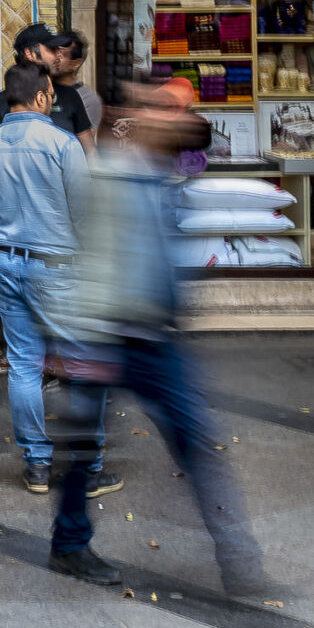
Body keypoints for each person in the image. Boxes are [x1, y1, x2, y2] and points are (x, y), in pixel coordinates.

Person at [45, 85, 265, 597]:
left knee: (195, 444)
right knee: (83, 450)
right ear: (134, 121)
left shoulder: (161, 180)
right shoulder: (108, 178)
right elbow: (85, 257)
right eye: (156, 110)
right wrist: (77, 337)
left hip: (155, 340)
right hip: (109, 335)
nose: (169, 119)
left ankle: (237, 554)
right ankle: (70, 543)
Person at [0, 61, 112, 496]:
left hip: (7, 267)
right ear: (40, 97)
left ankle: (36, 465)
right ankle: (89, 468)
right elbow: (85, 214)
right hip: (59, 269)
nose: (53, 100)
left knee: (24, 366)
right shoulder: (61, 144)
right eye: (51, 94)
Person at [0, 23, 96, 139]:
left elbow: (89, 152)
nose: (58, 55)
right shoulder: (2, 102)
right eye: (52, 49)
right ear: (30, 53)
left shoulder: (70, 96)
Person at [54, 29, 103, 146]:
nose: (55, 58)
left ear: (75, 63)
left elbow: (84, 145)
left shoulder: (87, 98)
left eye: (61, 55)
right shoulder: (40, 89)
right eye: (53, 52)